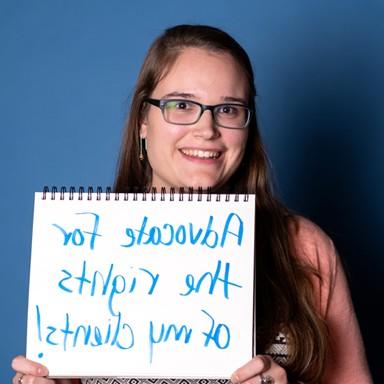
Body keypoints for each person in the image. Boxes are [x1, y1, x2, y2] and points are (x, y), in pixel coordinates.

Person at [12, 24, 372, 384]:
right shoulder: (83, 250)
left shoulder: (303, 249)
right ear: (142, 122)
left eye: (229, 109)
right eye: (182, 105)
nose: (207, 129)